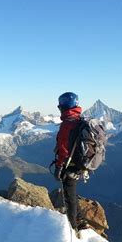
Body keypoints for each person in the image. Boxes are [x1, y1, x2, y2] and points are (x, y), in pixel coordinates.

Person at [53, 92, 82, 229]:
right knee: (72, 192)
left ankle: (72, 227)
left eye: (60, 106)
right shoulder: (78, 119)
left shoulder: (67, 124)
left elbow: (63, 149)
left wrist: (59, 167)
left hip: (69, 165)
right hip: (78, 164)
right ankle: (76, 218)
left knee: (69, 196)